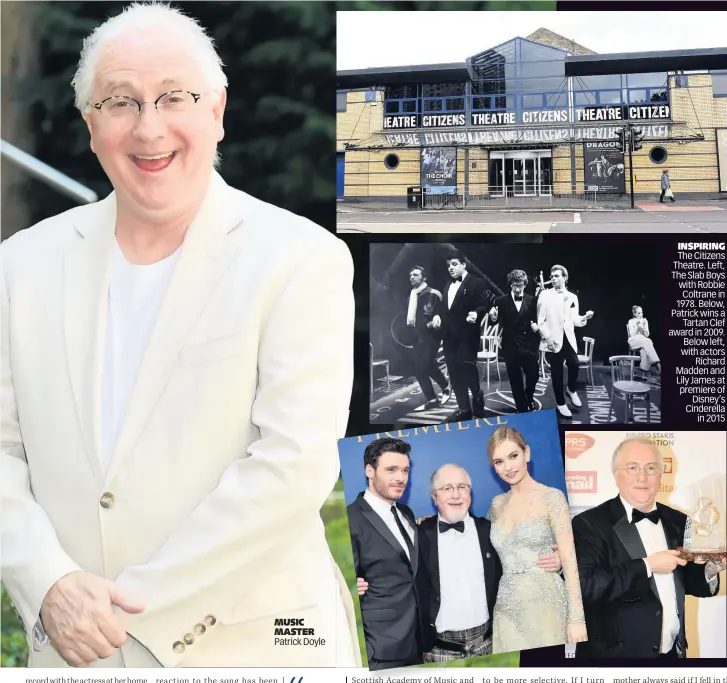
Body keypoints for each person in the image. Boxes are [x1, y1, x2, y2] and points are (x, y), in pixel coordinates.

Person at [0, 3, 359, 669]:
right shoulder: (20, 264)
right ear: (90, 125)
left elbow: (291, 466)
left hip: (253, 649)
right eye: (120, 102)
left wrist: (121, 605)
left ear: (216, 110)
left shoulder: (298, 257)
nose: (149, 127)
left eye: (175, 97)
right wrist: (49, 582)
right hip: (75, 655)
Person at [572, 437, 725, 659]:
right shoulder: (588, 523)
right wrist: (647, 565)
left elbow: (687, 581)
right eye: (632, 468)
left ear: (661, 475)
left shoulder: (679, 520)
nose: (642, 477)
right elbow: (586, 588)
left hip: (672, 654)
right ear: (616, 475)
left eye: (651, 468)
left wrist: (709, 571)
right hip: (614, 659)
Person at [415, 463, 562, 662]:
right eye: (447, 488)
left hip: (489, 645)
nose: (455, 495)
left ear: (470, 493)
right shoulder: (418, 535)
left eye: (462, 487)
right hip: (439, 651)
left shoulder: (490, 531)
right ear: (434, 497)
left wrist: (558, 559)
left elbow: (525, 557)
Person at [486, 427, 587, 653]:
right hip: (506, 607)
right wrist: (432, 521)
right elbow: (479, 542)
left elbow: (571, 562)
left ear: (527, 453)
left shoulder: (552, 497)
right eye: (499, 461)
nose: (508, 467)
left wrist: (577, 618)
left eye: (513, 456)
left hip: (546, 603)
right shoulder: (496, 504)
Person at [347, 438, 422, 670]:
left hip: (418, 642)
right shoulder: (350, 518)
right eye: (391, 469)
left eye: (405, 470)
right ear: (369, 470)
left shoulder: (406, 513)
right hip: (380, 650)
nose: (400, 478)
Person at [431, 254, 489, 422]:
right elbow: (443, 309)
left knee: (466, 366)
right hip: (449, 335)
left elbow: (484, 305)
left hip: (467, 334)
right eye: (448, 265)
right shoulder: (448, 283)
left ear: (464, 264)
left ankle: (477, 394)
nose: (451, 267)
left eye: (454, 264)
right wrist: (436, 315)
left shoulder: (477, 282)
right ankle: (464, 408)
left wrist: (476, 313)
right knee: (454, 372)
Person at [536, 264, 594, 419]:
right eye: (552, 276)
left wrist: (584, 318)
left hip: (568, 338)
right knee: (557, 373)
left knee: (574, 364)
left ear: (565, 277)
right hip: (553, 340)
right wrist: (547, 337)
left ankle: (571, 389)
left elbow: (574, 320)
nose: (553, 278)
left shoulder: (572, 297)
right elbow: (540, 321)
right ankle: (561, 404)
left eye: (556, 276)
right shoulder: (545, 295)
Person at [488, 269, 540, 414]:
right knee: (515, 379)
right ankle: (522, 408)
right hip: (510, 345)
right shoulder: (501, 301)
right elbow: (494, 322)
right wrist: (493, 317)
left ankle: (528, 396)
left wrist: (536, 327)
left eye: (520, 285)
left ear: (525, 284)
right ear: (510, 284)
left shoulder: (532, 300)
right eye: (514, 285)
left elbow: (537, 319)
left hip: (528, 344)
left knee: (533, 375)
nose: (517, 288)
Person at [405, 266, 450, 412]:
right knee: (423, 366)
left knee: (421, 367)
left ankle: (438, 393)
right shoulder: (411, 297)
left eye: (416, 275)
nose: (412, 277)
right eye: (410, 274)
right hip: (418, 337)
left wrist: (437, 319)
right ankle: (437, 394)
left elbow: (443, 314)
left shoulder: (434, 294)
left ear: (424, 278)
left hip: (432, 336)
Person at [627, 305, 661, 374]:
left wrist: (643, 327)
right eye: (638, 313)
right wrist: (637, 326)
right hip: (633, 341)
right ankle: (656, 362)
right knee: (648, 341)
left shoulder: (644, 321)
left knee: (645, 349)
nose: (641, 314)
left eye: (641, 313)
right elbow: (632, 335)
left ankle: (643, 368)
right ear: (634, 314)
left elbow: (647, 335)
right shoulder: (631, 321)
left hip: (643, 341)